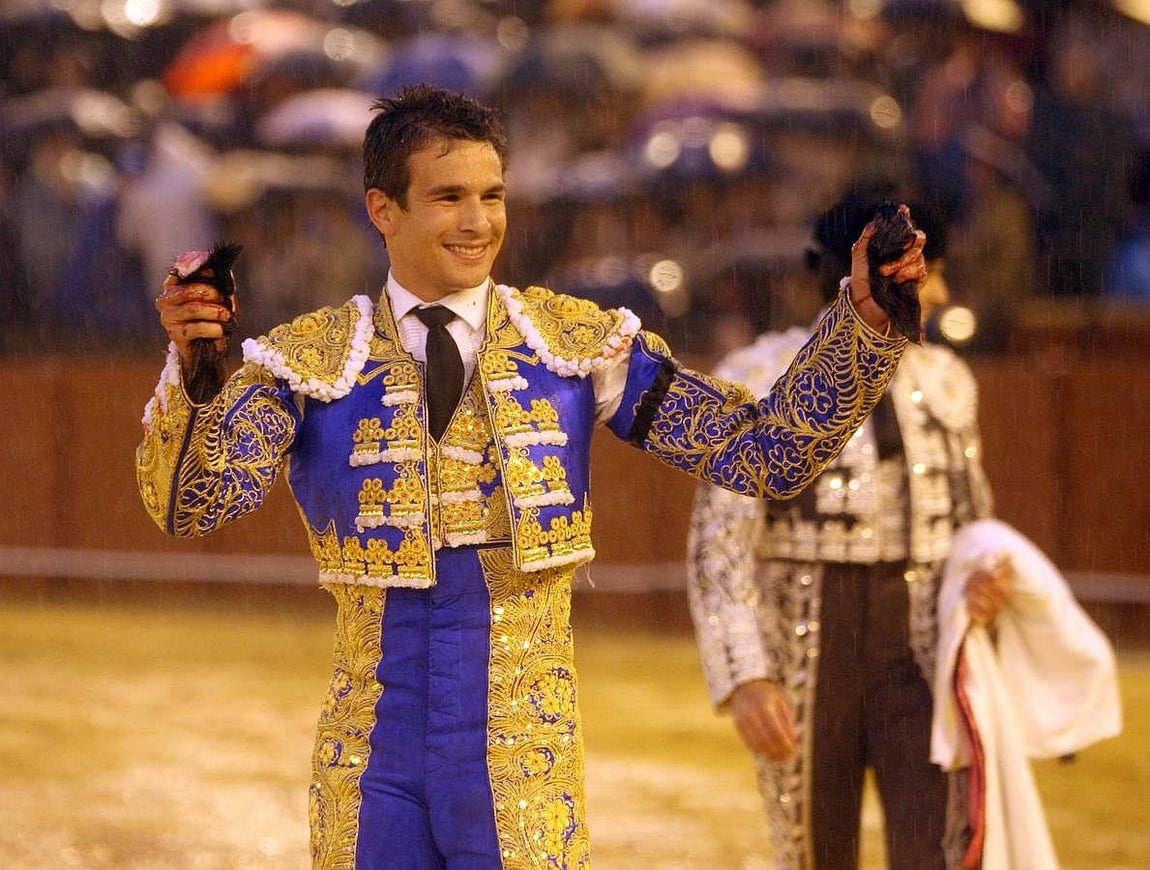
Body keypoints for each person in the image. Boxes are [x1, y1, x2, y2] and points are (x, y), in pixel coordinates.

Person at [136, 86, 926, 870]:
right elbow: (194, 505)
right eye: (448, 197)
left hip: (524, 752)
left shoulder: (575, 348)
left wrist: (862, 325)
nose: (478, 222)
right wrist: (197, 376)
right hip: (374, 754)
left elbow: (764, 453)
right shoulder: (311, 362)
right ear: (383, 209)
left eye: (492, 195)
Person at [686, 193, 1010, 870]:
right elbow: (720, 547)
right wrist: (744, 674)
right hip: (806, 640)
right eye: (929, 273)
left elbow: (973, 520)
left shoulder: (948, 380)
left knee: (937, 850)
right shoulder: (756, 376)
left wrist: (986, 585)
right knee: (813, 849)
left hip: (920, 641)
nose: (941, 289)